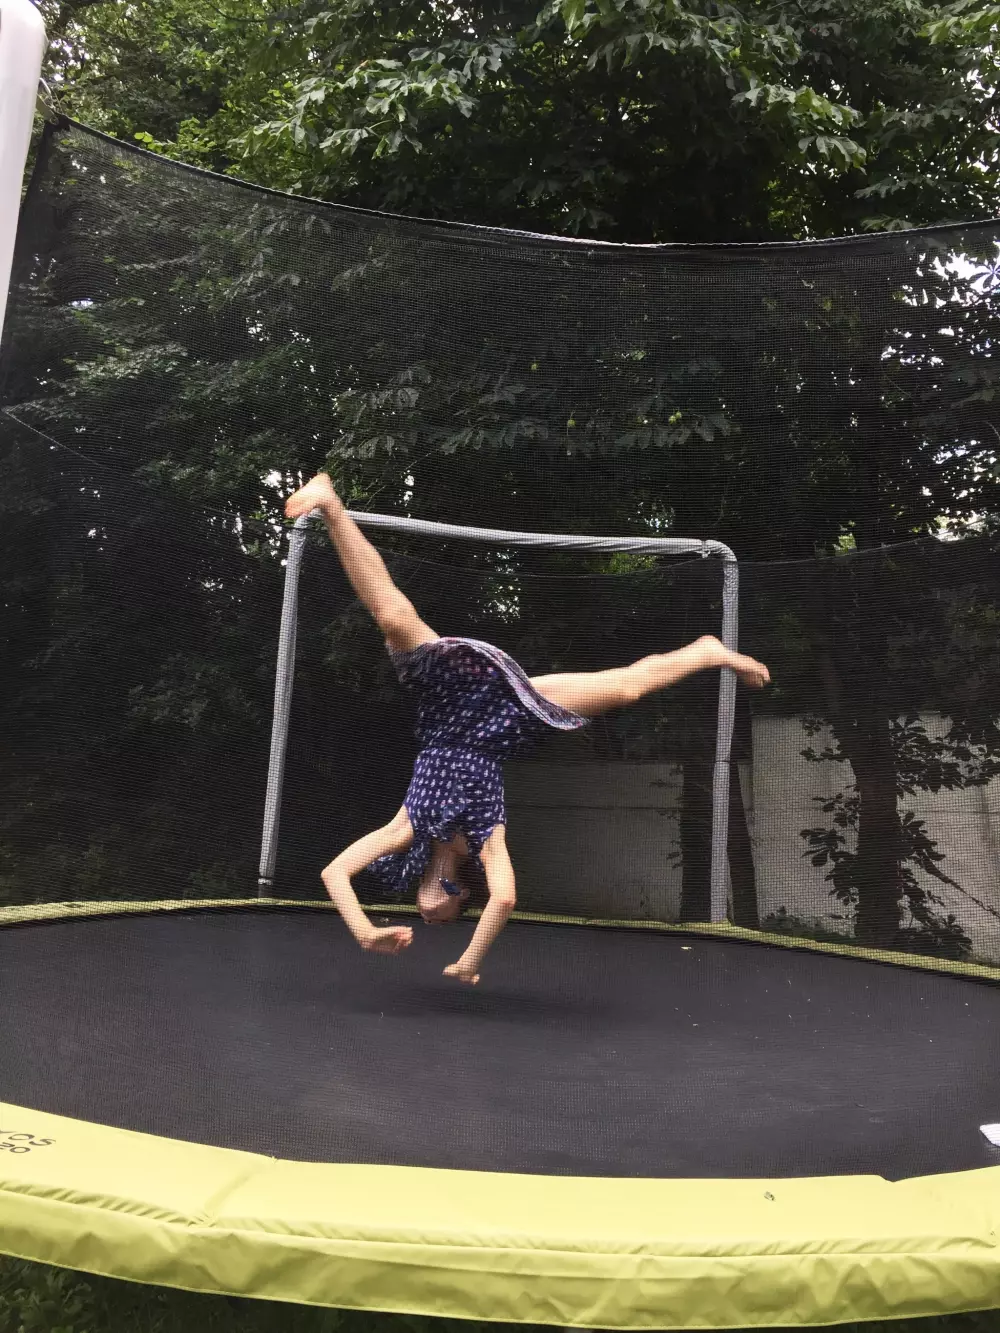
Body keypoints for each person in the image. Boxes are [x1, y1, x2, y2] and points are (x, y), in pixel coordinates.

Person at [285, 474, 770, 985]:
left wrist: (365, 932)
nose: (431, 920)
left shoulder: (408, 832)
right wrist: (470, 961)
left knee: (392, 617)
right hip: (506, 720)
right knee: (625, 688)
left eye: (431, 920)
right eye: (446, 921)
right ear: (461, 896)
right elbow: (505, 898)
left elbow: (334, 873)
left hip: (449, 708)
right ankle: (706, 652)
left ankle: (331, 507)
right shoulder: (480, 840)